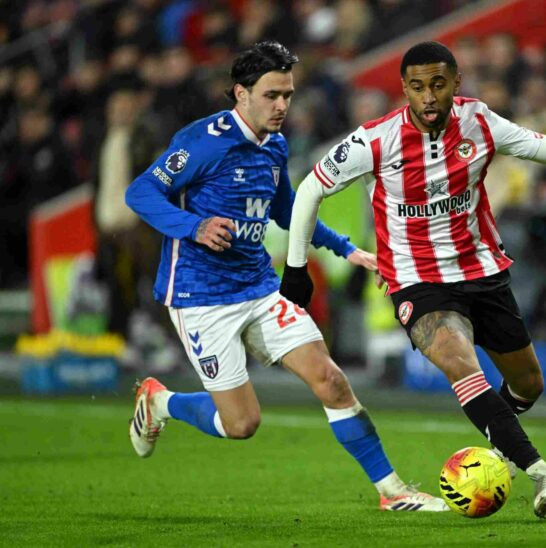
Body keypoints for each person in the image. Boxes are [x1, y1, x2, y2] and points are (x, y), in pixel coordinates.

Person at [281, 41, 546, 519]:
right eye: (416, 87)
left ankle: (500, 454)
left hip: (482, 271)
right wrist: (295, 267)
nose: (428, 96)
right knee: (460, 362)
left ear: (454, 82)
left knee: (529, 384)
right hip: (417, 280)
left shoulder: (480, 122)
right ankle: (541, 473)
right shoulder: (374, 141)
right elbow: (309, 190)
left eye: (437, 84)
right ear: (405, 90)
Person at [124, 41, 447, 512]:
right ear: (241, 94)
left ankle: (393, 492)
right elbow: (141, 192)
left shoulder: (274, 146)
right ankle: (161, 402)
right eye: (272, 95)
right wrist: (194, 225)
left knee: (332, 381)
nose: (282, 106)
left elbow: (288, 212)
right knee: (242, 424)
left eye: (288, 95)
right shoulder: (201, 141)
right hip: (201, 296)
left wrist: (349, 249)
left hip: (257, 286)